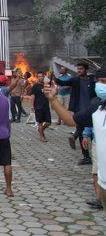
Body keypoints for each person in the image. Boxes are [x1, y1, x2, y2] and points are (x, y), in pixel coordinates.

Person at [44, 69, 106, 213]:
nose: (100, 85)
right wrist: (52, 99)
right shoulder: (97, 106)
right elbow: (70, 120)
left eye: (104, 82)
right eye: (99, 82)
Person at [57, 63, 96, 164]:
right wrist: (53, 79)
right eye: (78, 69)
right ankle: (86, 157)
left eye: (81, 68)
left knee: (93, 134)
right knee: (82, 134)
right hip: (79, 111)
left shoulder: (92, 79)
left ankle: (96, 155)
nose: (79, 70)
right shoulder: (75, 80)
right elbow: (63, 83)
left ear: (86, 69)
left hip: (92, 110)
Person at [29, 72, 51, 142]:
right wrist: (32, 106)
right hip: (38, 106)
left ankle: (40, 130)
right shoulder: (35, 86)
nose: (40, 78)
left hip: (46, 106)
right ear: (37, 77)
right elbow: (32, 96)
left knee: (48, 122)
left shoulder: (46, 85)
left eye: (42, 76)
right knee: (40, 122)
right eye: (39, 76)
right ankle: (41, 136)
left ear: (44, 77)